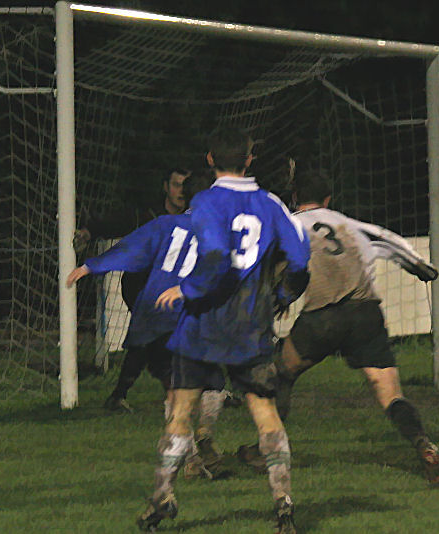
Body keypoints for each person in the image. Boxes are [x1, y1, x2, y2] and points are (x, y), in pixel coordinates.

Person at [137, 128, 310, 534]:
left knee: (181, 411)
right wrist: (281, 294)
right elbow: (301, 258)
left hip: (203, 325)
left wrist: (189, 288)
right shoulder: (270, 204)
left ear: (210, 159)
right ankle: (283, 502)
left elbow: (214, 255)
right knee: (264, 413)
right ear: (249, 161)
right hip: (250, 326)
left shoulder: (206, 200)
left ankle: (163, 496)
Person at [237, 168, 439, 489]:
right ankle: (423, 444)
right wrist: (422, 269)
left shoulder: (288, 225)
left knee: (280, 374)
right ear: (328, 198)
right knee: (391, 394)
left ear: (295, 198)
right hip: (366, 315)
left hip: (322, 319)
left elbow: (263, 261)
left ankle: (263, 451)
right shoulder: (351, 225)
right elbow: (393, 243)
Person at [66, 171, 228, 479]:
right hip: (192, 321)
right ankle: (205, 432)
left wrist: (89, 266)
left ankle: (192, 458)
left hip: (156, 318)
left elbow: (132, 248)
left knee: (173, 392)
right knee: (215, 386)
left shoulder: (165, 225)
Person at [73, 168, 192, 412]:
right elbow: (119, 226)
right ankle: (183, 392)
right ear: (165, 187)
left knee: (156, 339)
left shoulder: (195, 220)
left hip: (173, 291)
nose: (180, 191)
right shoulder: (149, 218)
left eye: (184, 186)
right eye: (176, 184)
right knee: (152, 335)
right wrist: (90, 232)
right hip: (141, 287)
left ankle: (127, 394)